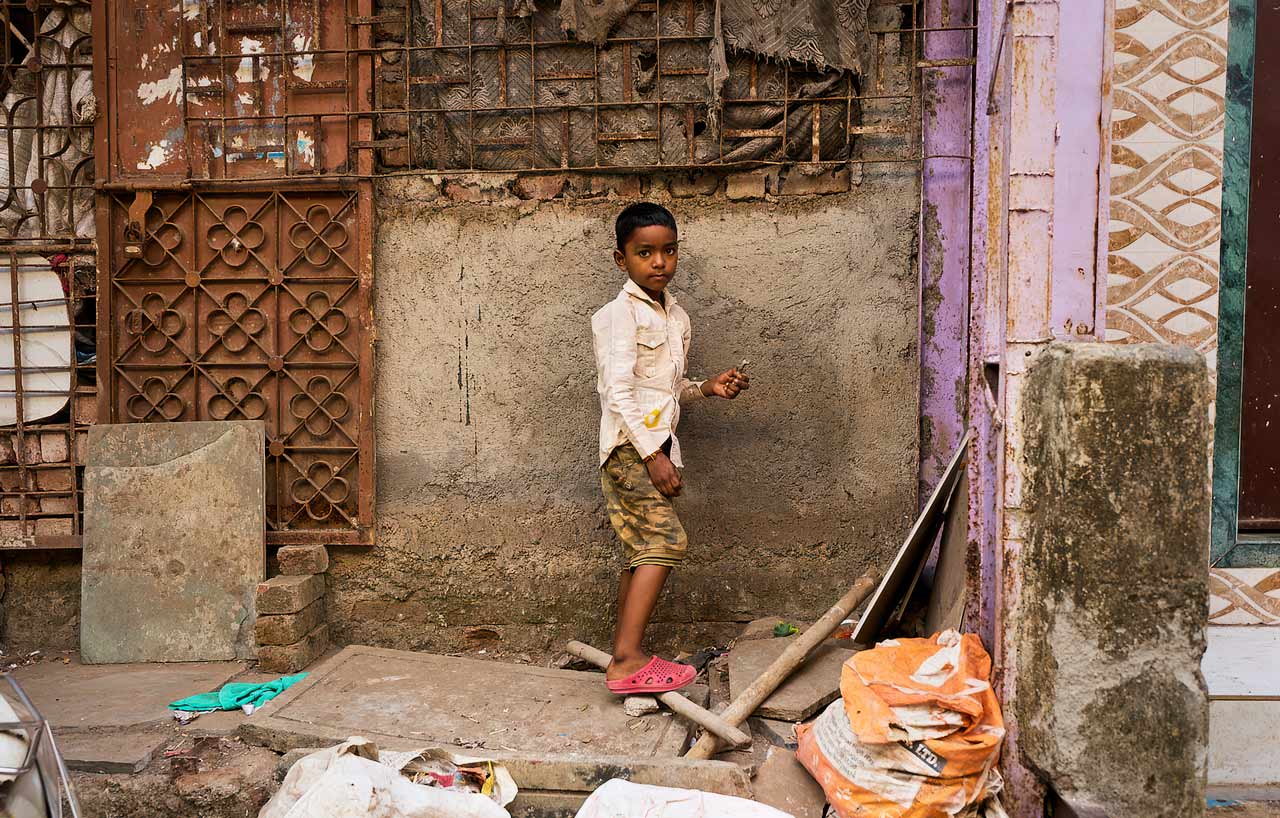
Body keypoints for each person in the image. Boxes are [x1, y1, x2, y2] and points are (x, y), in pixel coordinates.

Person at [591, 202, 750, 694]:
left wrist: (705, 388)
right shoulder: (618, 316)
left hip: (652, 445)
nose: (659, 262)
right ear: (622, 260)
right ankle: (627, 661)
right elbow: (617, 392)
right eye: (645, 253)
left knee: (643, 548)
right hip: (630, 450)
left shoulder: (675, 314)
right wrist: (652, 456)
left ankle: (623, 651)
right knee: (665, 543)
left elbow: (665, 385)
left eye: (668, 251)